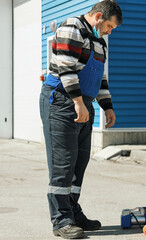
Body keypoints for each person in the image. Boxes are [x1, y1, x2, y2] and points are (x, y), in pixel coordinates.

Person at [39, 1, 122, 238]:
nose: (109, 31)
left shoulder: (99, 41)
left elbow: (100, 77)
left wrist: (107, 107)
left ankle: (73, 212)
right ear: (98, 16)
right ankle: (61, 220)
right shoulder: (71, 28)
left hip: (83, 102)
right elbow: (66, 69)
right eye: (108, 26)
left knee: (78, 164)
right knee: (63, 164)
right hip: (61, 101)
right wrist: (77, 102)